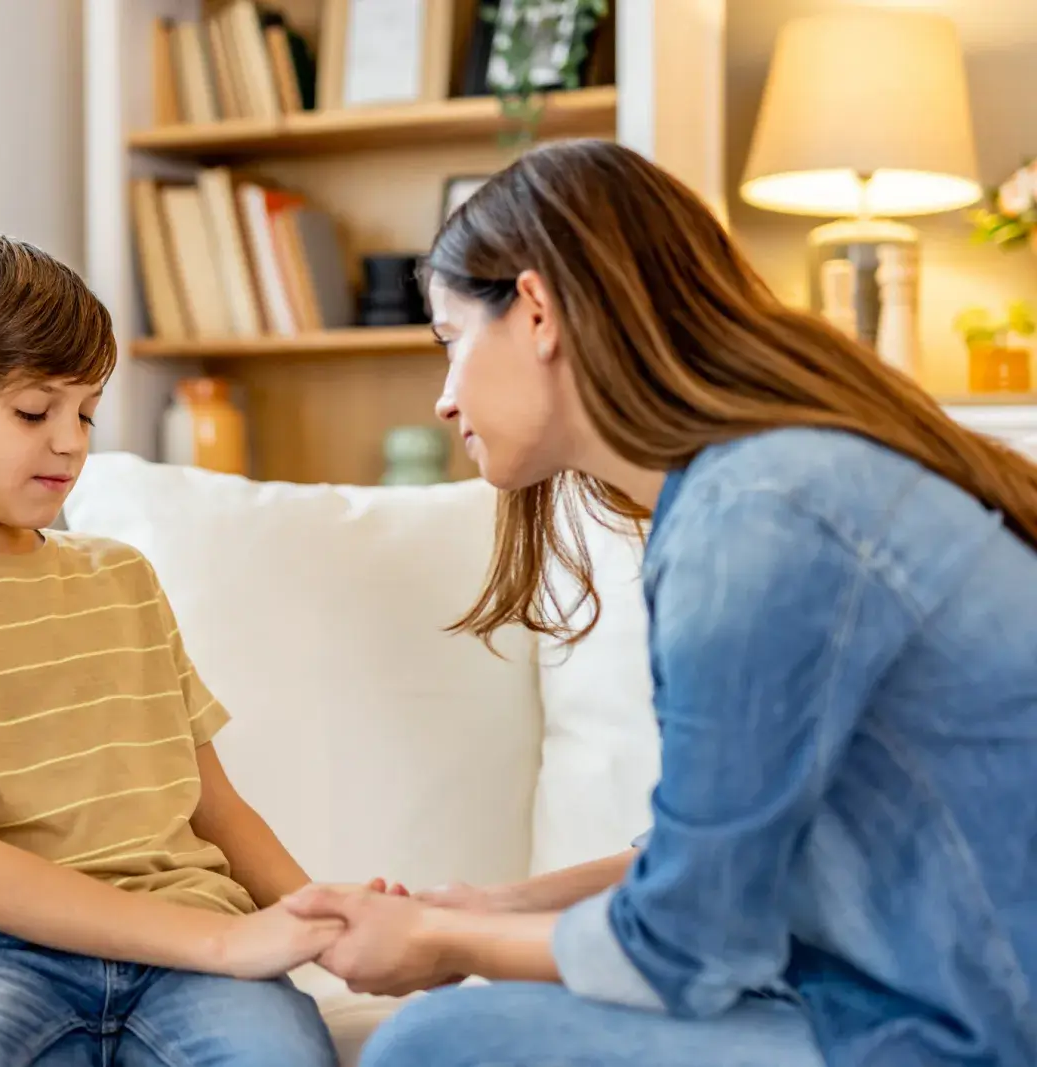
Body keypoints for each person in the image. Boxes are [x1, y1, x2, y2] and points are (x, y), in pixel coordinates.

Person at [283, 139, 1037, 1067]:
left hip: (975, 1031)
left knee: (437, 1045)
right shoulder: (761, 484)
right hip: (895, 989)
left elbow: (690, 938)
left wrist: (446, 940)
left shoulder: (759, 517)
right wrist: (492, 906)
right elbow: (711, 856)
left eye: (450, 338)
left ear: (536, 311)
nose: (443, 399)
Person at [0, 231, 340, 1066]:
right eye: (33, 411)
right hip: (3, 955)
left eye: (86, 411)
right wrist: (229, 944)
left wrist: (325, 919)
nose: (71, 441)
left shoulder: (122, 576)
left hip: (194, 942)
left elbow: (218, 808)